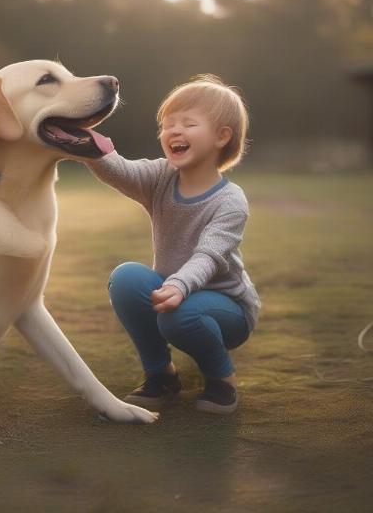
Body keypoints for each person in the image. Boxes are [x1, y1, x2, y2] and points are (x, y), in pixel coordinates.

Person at [85, 74, 261, 414]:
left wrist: (180, 284)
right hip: (175, 294)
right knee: (126, 278)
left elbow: (208, 255)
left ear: (221, 137)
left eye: (188, 123)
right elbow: (120, 171)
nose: (173, 131)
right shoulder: (161, 176)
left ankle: (222, 379)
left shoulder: (230, 201)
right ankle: (161, 376)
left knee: (178, 315)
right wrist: (88, 145)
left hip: (229, 308)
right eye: (167, 125)